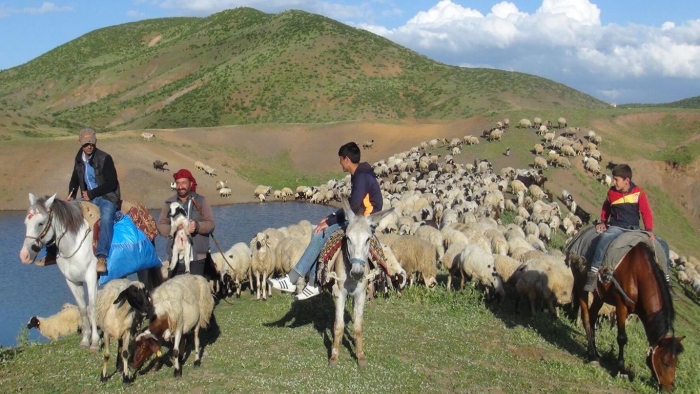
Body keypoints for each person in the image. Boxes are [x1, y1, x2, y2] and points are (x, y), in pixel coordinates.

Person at [267, 142, 383, 300]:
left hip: (362, 223)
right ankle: (313, 283)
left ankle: (295, 279)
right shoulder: (362, 174)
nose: (340, 163)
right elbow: (354, 205)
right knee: (321, 230)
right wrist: (330, 217)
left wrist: (329, 222)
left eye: (340, 159)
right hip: (360, 219)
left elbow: (354, 206)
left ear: (346, 159)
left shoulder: (361, 177)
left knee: (320, 234)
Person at [40, 128, 121, 274]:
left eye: (91, 143)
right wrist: (71, 194)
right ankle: (52, 252)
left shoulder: (105, 158)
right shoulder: (79, 159)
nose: (88, 146)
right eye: (85, 144)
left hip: (107, 197)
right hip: (88, 197)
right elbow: (75, 179)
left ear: (95, 142)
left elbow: (112, 183)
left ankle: (101, 257)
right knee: (63, 212)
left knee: (107, 216)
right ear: (80, 143)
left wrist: (92, 193)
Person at [584, 164, 670, 292]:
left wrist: (649, 230)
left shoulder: (638, 193)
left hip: (635, 229)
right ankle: (593, 274)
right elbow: (606, 207)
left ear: (627, 181)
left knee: (663, 244)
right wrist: (603, 221)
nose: (613, 182)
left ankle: (666, 282)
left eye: (616, 179)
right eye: (613, 179)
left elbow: (646, 212)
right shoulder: (611, 192)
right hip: (616, 227)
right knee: (604, 239)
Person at [157, 169, 215, 277]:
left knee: (195, 291)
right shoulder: (169, 203)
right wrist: (173, 229)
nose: (180, 186)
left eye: (183, 183)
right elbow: (160, 225)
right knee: (174, 292)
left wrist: (197, 226)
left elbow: (211, 224)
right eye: (177, 183)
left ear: (191, 183)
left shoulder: (202, 201)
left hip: (197, 257)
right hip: (175, 255)